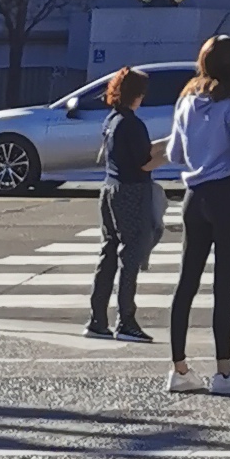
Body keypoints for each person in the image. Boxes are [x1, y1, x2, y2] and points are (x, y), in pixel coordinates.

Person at [163, 33, 230, 395]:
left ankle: (179, 368)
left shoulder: (187, 99)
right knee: (224, 285)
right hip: (227, 191)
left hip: (194, 193)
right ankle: (223, 371)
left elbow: (174, 152)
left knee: (186, 281)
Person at [84, 67, 156, 343]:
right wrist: (172, 154)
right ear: (137, 95)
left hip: (110, 188)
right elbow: (144, 162)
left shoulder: (112, 119)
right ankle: (126, 320)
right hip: (131, 190)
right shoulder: (133, 124)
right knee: (131, 253)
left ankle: (97, 318)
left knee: (109, 251)